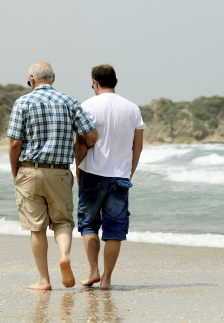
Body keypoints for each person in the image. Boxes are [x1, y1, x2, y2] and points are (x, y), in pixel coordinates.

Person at [7, 61, 98, 290]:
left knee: (36, 227)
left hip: (30, 169)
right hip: (59, 171)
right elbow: (91, 136)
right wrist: (80, 155)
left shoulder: (22, 102)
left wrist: (15, 171)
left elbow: (15, 142)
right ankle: (64, 256)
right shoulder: (69, 101)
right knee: (62, 221)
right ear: (53, 78)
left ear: (31, 79)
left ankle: (44, 280)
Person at [75, 64, 146, 289]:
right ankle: (106, 279)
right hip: (120, 177)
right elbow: (138, 147)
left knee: (89, 226)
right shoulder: (132, 108)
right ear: (115, 82)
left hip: (92, 173)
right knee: (114, 231)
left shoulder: (87, 106)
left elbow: (81, 143)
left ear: (95, 83)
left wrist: (78, 169)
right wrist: (130, 172)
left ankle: (93, 271)